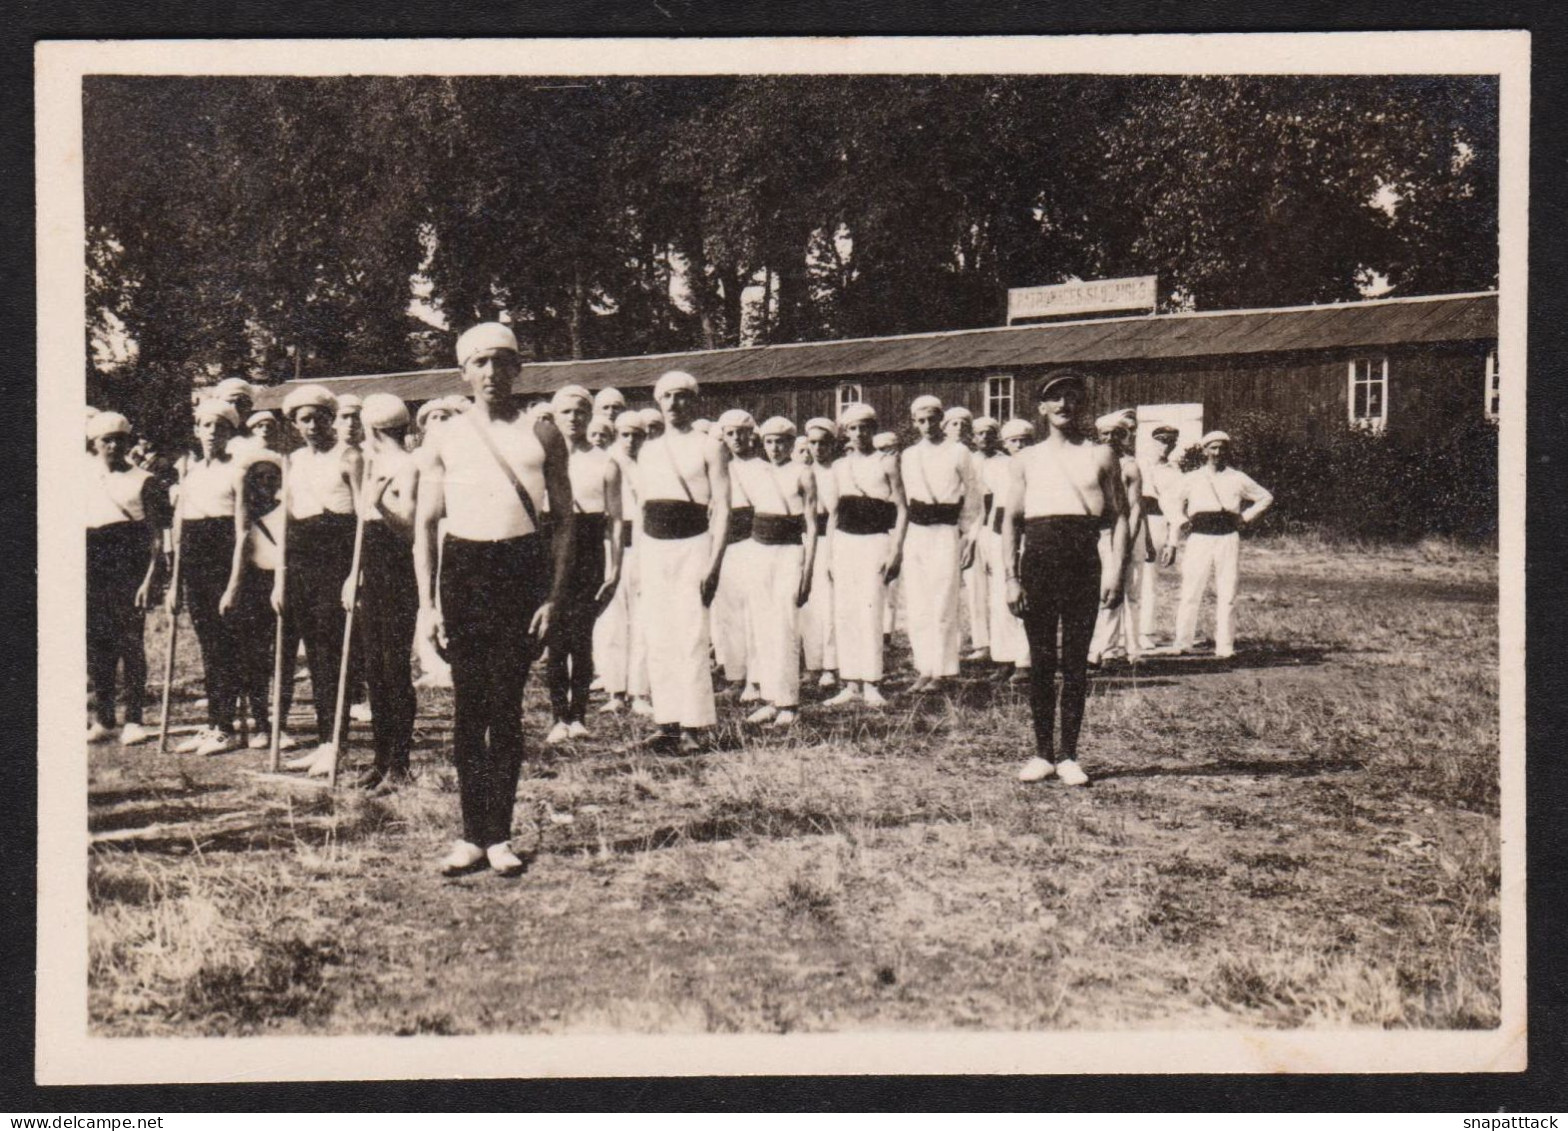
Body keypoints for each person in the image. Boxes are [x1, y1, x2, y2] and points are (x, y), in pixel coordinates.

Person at [415, 322, 575, 876]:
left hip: (520, 570)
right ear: (463, 372)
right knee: (468, 709)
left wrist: (552, 596)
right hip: (464, 571)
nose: (491, 374)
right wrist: (427, 605)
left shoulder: (543, 433)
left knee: (505, 708)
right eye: (480, 363)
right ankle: (469, 835)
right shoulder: (445, 436)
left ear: (517, 370)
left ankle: (500, 836)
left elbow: (565, 524)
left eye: (502, 363)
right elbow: (426, 525)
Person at [1002, 373, 1129, 788]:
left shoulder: (1101, 455)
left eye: (1071, 398)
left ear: (1081, 405)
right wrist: (1011, 578)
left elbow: (1121, 517)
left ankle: (1070, 755)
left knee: (1075, 661)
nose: (1063, 405)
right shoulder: (1025, 459)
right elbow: (1011, 521)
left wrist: (1116, 571)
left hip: (1082, 559)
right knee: (1040, 660)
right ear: (1041, 408)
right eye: (1054, 399)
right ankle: (1042, 753)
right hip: (1037, 560)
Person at [635, 370, 731, 753]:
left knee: (691, 634)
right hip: (655, 547)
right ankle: (667, 723)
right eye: (667, 396)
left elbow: (722, 507)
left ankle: (693, 726)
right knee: (658, 635)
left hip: (694, 544)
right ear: (658, 401)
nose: (675, 404)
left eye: (682, 396)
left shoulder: (710, 446)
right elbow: (643, 508)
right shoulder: (649, 449)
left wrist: (714, 562)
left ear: (695, 401)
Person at [276, 384, 362, 773]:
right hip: (301, 560)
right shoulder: (292, 461)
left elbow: (363, 520)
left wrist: (355, 574)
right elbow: (286, 522)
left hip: (338, 556)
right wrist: (281, 578)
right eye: (304, 419)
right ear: (294, 424)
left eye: (320, 417)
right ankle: (326, 739)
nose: (313, 425)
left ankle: (337, 742)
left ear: (331, 418)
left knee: (335, 652)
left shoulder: (350, 456)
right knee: (314, 651)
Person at [347, 394, 422, 789]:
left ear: (372, 428)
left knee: (394, 668)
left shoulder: (408, 466)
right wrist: (352, 576)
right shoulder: (371, 463)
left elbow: (409, 528)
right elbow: (363, 533)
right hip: (372, 574)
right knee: (374, 669)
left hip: (398, 574)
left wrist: (379, 504)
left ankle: (400, 763)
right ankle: (380, 759)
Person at [545, 385, 623, 743]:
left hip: (590, 549)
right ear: (555, 416)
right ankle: (558, 715)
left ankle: (578, 715)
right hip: (552, 548)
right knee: (555, 635)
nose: (573, 418)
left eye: (580, 411)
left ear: (590, 416)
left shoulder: (605, 462)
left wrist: (616, 566)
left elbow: (616, 519)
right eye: (566, 412)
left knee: (582, 635)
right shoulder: (544, 459)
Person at [171, 398, 247, 756]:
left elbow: (243, 531)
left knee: (226, 647)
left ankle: (225, 727)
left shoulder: (238, 471)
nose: (213, 432)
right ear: (197, 430)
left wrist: (234, 583)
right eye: (206, 425)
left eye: (221, 426)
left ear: (231, 432)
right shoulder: (189, 472)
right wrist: (174, 583)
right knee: (208, 646)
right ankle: (213, 723)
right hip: (195, 565)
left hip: (223, 562)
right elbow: (179, 529)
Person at [86, 412, 166, 746]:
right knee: (97, 645)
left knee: (130, 643)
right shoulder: (81, 477)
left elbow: (158, 537)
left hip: (129, 567)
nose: (115, 446)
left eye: (121, 439)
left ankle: (134, 719)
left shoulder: (144, 480)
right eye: (107, 440)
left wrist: (150, 579)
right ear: (94, 444)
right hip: (91, 564)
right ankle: (104, 718)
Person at [823, 403, 906, 709]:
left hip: (875, 542)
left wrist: (895, 551)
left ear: (874, 429)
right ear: (845, 431)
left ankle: (872, 682)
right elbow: (833, 514)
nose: (859, 434)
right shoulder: (839, 467)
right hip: (845, 543)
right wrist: (830, 555)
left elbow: (901, 509)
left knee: (870, 611)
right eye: (853, 428)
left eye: (865, 427)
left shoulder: (887, 462)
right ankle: (851, 682)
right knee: (845, 612)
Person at [1164, 431, 1273, 660]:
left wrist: (1246, 517)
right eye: (1212, 448)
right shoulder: (1192, 477)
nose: (1217, 453)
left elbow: (1265, 497)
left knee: (1227, 592)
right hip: (1200, 538)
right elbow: (1170, 500)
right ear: (1204, 451)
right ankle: (1182, 642)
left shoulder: (1237, 477)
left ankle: (1225, 646)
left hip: (1227, 537)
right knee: (1191, 590)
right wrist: (1182, 521)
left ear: (1227, 451)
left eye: (1222, 448)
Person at [900, 396, 981, 692]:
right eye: (920, 421)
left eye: (932, 419)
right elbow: (907, 497)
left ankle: (944, 671)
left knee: (943, 600)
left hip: (946, 530)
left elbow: (973, 498)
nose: (927, 426)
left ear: (941, 419)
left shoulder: (958, 452)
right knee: (918, 602)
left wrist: (969, 538)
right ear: (914, 423)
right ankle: (924, 668)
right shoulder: (909, 455)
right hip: (917, 532)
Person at [742, 417, 818, 727]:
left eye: (782, 441)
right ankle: (770, 699)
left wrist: (808, 572)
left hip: (790, 552)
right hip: (759, 551)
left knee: (785, 626)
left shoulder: (803, 473)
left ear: (791, 443)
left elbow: (811, 526)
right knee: (763, 626)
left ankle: (789, 703)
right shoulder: (756, 472)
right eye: (770, 441)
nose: (776, 447)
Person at [218, 449, 288, 750]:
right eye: (260, 477)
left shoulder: (288, 509)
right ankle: (260, 722)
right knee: (254, 658)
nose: (266, 483)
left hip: (282, 582)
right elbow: (240, 549)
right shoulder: (242, 513)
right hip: (252, 585)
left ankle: (279, 725)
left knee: (282, 656)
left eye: (273, 478)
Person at [594, 409, 648, 715]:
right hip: (613, 545)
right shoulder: (607, 463)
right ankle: (615, 690)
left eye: (636, 435)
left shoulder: (652, 464)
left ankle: (640, 691)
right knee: (611, 621)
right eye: (624, 434)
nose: (630, 440)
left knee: (642, 620)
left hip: (645, 546)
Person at [1088, 410, 1145, 668]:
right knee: (1101, 590)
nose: (1111, 438)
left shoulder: (1130, 466)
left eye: (1117, 434)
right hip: (1100, 532)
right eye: (1105, 434)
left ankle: (1126, 650)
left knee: (1126, 588)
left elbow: (1133, 509)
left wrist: (1128, 544)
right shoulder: (1093, 461)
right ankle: (1098, 649)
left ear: (1125, 437)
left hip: (1127, 531)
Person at [976, 417, 1031, 685]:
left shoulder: (1038, 465)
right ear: (1005, 443)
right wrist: (986, 545)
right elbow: (988, 508)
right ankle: (1003, 659)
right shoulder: (994, 467)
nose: (1019, 445)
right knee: (999, 600)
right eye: (1013, 440)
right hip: (997, 535)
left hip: (1028, 535)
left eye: (1024, 440)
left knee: (1024, 598)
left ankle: (1024, 661)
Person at [713, 408, 760, 700]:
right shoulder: (720, 467)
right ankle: (735, 677)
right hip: (725, 544)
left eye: (741, 433)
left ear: (751, 435)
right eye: (730, 434)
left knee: (753, 613)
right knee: (728, 613)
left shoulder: (762, 467)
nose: (736, 439)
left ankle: (756, 680)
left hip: (754, 543)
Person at [800, 417, 839, 693]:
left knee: (829, 603)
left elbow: (835, 511)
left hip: (830, 539)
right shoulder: (801, 471)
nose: (817, 448)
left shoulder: (837, 471)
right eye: (812, 443)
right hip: (803, 539)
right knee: (808, 603)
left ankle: (830, 665)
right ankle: (812, 664)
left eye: (823, 443)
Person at [1138, 425, 1184, 650]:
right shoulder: (1137, 464)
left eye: (1170, 442)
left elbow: (1175, 510)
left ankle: (1145, 631)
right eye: (1161, 441)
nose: (1165, 446)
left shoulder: (1174, 471)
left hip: (1156, 522)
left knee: (1148, 579)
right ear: (1152, 442)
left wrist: (1172, 542)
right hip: (1132, 521)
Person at [873, 429, 903, 639]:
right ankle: (880, 630)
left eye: (893, 449)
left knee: (894, 584)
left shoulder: (906, 471)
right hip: (882, 530)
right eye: (884, 450)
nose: (890, 453)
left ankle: (888, 630)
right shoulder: (877, 472)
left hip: (902, 531)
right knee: (879, 581)